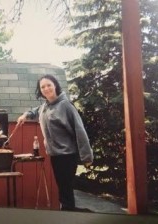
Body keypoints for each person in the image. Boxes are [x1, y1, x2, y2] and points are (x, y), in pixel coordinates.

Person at [17, 74, 93, 211]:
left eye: (49, 85)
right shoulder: (46, 106)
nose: (46, 88)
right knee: (64, 190)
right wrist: (25, 115)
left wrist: (87, 157)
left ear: (55, 86)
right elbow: (35, 111)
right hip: (56, 155)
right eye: (42, 87)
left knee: (65, 191)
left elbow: (80, 131)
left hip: (67, 155)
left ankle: (72, 215)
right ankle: (69, 214)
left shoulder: (65, 106)